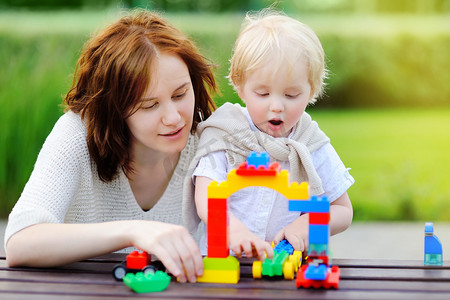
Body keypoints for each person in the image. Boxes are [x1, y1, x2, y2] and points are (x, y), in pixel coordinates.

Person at [4, 10, 218, 283]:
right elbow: (20, 242)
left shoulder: (207, 137)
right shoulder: (76, 135)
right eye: (149, 105)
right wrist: (133, 231)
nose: (175, 118)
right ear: (115, 109)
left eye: (180, 94)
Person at [183, 9, 354, 261]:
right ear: (240, 87)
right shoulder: (226, 134)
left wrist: (304, 226)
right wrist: (235, 231)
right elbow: (206, 196)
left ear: (311, 91)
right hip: (224, 266)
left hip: (285, 265)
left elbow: (342, 210)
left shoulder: (310, 144)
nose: (276, 106)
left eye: (291, 95)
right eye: (262, 94)